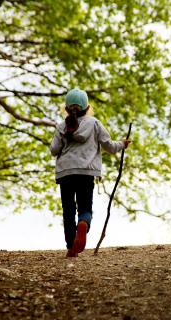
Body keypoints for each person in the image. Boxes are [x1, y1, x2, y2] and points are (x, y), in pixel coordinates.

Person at [50, 88, 131, 257]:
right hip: (86, 172)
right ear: (87, 107)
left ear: (66, 108)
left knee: (68, 209)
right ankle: (84, 222)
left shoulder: (62, 126)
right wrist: (122, 144)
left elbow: (54, 150)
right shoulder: (94, 123)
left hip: (65, 173)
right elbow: (109, 146)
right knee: (85, 206)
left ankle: (71, 247)